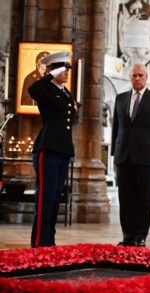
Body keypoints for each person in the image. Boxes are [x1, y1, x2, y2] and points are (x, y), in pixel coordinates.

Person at [111, 63, 150, 247]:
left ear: (146, 77)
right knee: (125, 197)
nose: (137, 78)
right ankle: (127, 235)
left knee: (143, 198)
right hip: (123, 155)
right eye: (134, 75)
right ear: (130, 78)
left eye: (141, 75)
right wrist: (114, 152)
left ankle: (140, 236)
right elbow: (116, 128)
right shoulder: (120, 99)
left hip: (146, 155)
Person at [28, 51, 77, 247]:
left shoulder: (66, 92)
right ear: (53, 70)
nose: (66, 73)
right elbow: (33, 91)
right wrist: (49, 75)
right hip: (47, 149)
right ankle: (40, 243)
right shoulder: (45, 89)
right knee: (45, 197)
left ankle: (50, 242)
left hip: (62, 149)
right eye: (62, 69)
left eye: (67, 70)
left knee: (56, 197)